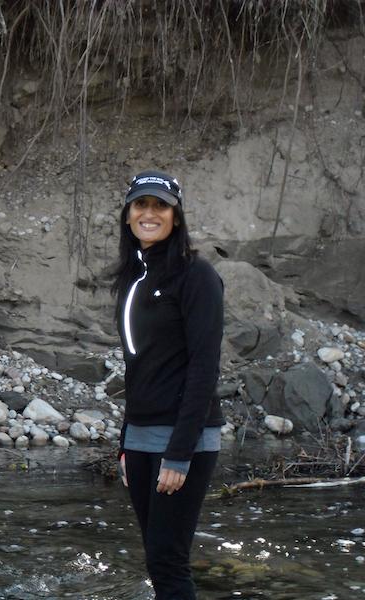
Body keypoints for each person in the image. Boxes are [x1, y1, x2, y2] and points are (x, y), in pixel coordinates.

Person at [112, 170, 224, 600]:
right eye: (141, 204)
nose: (150, 213)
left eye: (161, 206)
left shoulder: (197, 276)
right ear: (128, 215)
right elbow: (136, 369)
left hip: (184, 440)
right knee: (156, 558)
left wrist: (179, 453)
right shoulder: (132, 279)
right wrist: (124, 443)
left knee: (169, 561)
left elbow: (204, 367)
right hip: (140, 438)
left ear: (176, 217)